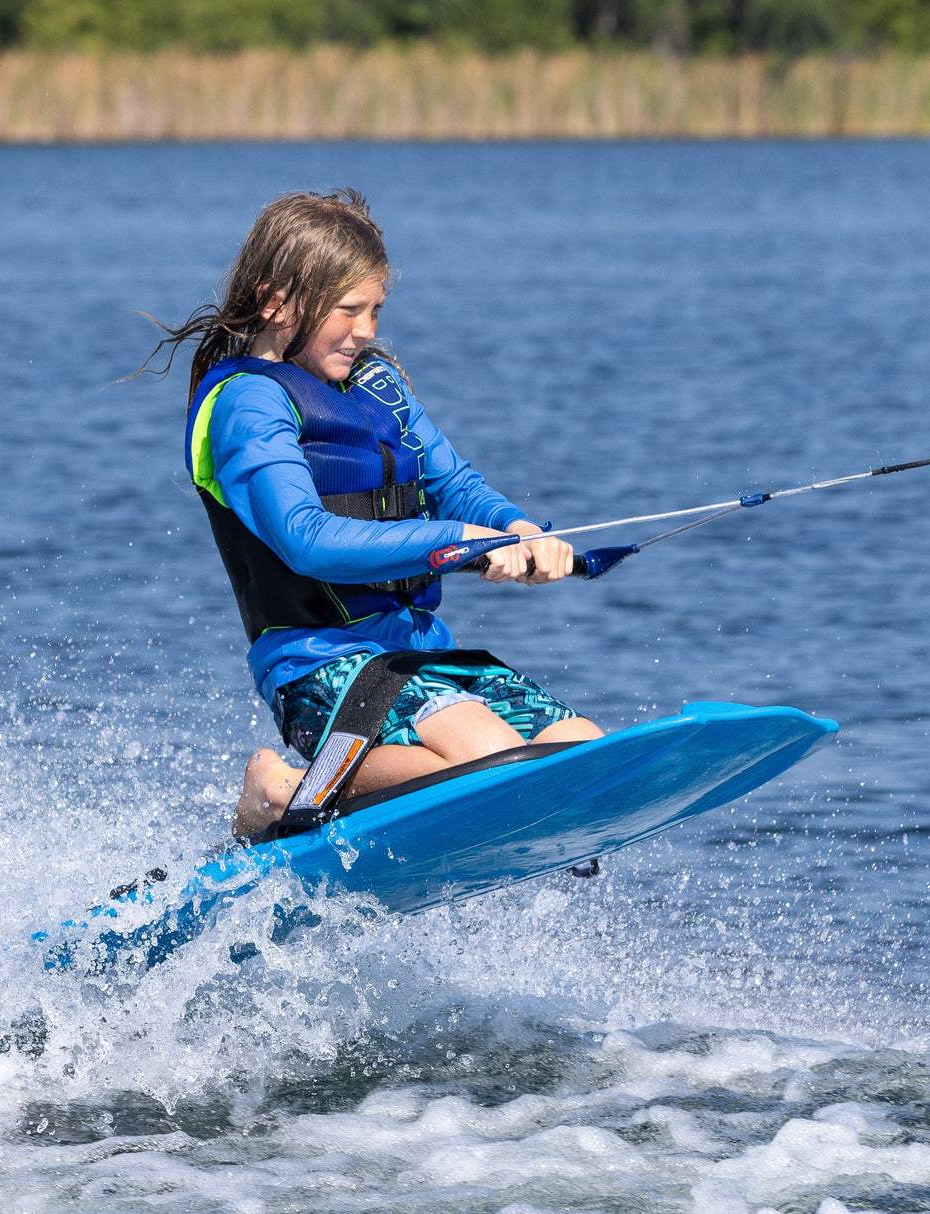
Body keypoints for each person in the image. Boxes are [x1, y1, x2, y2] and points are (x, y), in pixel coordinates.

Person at [159, 189, 602, 836]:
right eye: (350, 310)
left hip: (415, 652)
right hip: (319, 665)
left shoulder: (376, 386)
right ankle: (281, 793)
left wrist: (516, 529)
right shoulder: (247, 406)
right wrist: (461, 542)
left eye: (376, 310)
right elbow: (305, 541)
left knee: (580, 751)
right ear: (277, 302)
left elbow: (455, 485)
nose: (368, 330)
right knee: (497, 761)